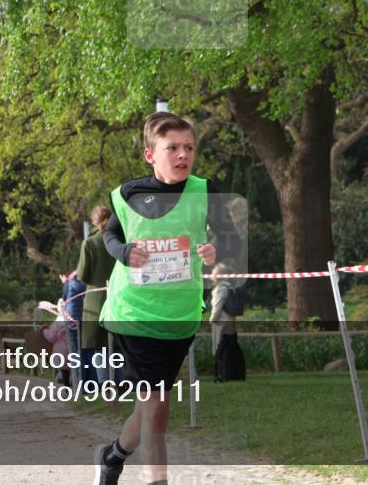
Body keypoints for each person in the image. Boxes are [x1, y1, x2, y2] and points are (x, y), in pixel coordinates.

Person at [95, 111, 240, 485]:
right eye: (172, 147)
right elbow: (110, 236)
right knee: (158, 404)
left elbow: (230, 239)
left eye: (188, 148)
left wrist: (215, 250)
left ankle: (113, 455)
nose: (182, 155)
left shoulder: (204, 191)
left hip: (180, 314)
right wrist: (125, 252)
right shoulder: (128, 194)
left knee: (150, 407)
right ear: (150, 154)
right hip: (134, 312)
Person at [77, 205, 116, 384]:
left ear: (94, 221)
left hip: (96, 300)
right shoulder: (120, 241)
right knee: (119, 344)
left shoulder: (90, 243)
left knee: (99, 348)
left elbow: (82, 276)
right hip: (120, 298)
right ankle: (123, 382)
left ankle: (105, 384)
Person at [61, 269, 86, 386]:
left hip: (71, 319)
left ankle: (77, 383)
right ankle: (84, 382)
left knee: (74, 351)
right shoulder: (85, 284)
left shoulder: (70, 282)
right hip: (83, 318)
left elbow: (65, 298)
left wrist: (65, 283)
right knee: (83, 351)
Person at [209, 263, 238, 354]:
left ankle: (221, 366)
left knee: (220, 348)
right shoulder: (230, 287)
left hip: (221, 322)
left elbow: (217, 307)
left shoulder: (220, 289)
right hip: (229, 320)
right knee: (229, 348)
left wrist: (212, 319)